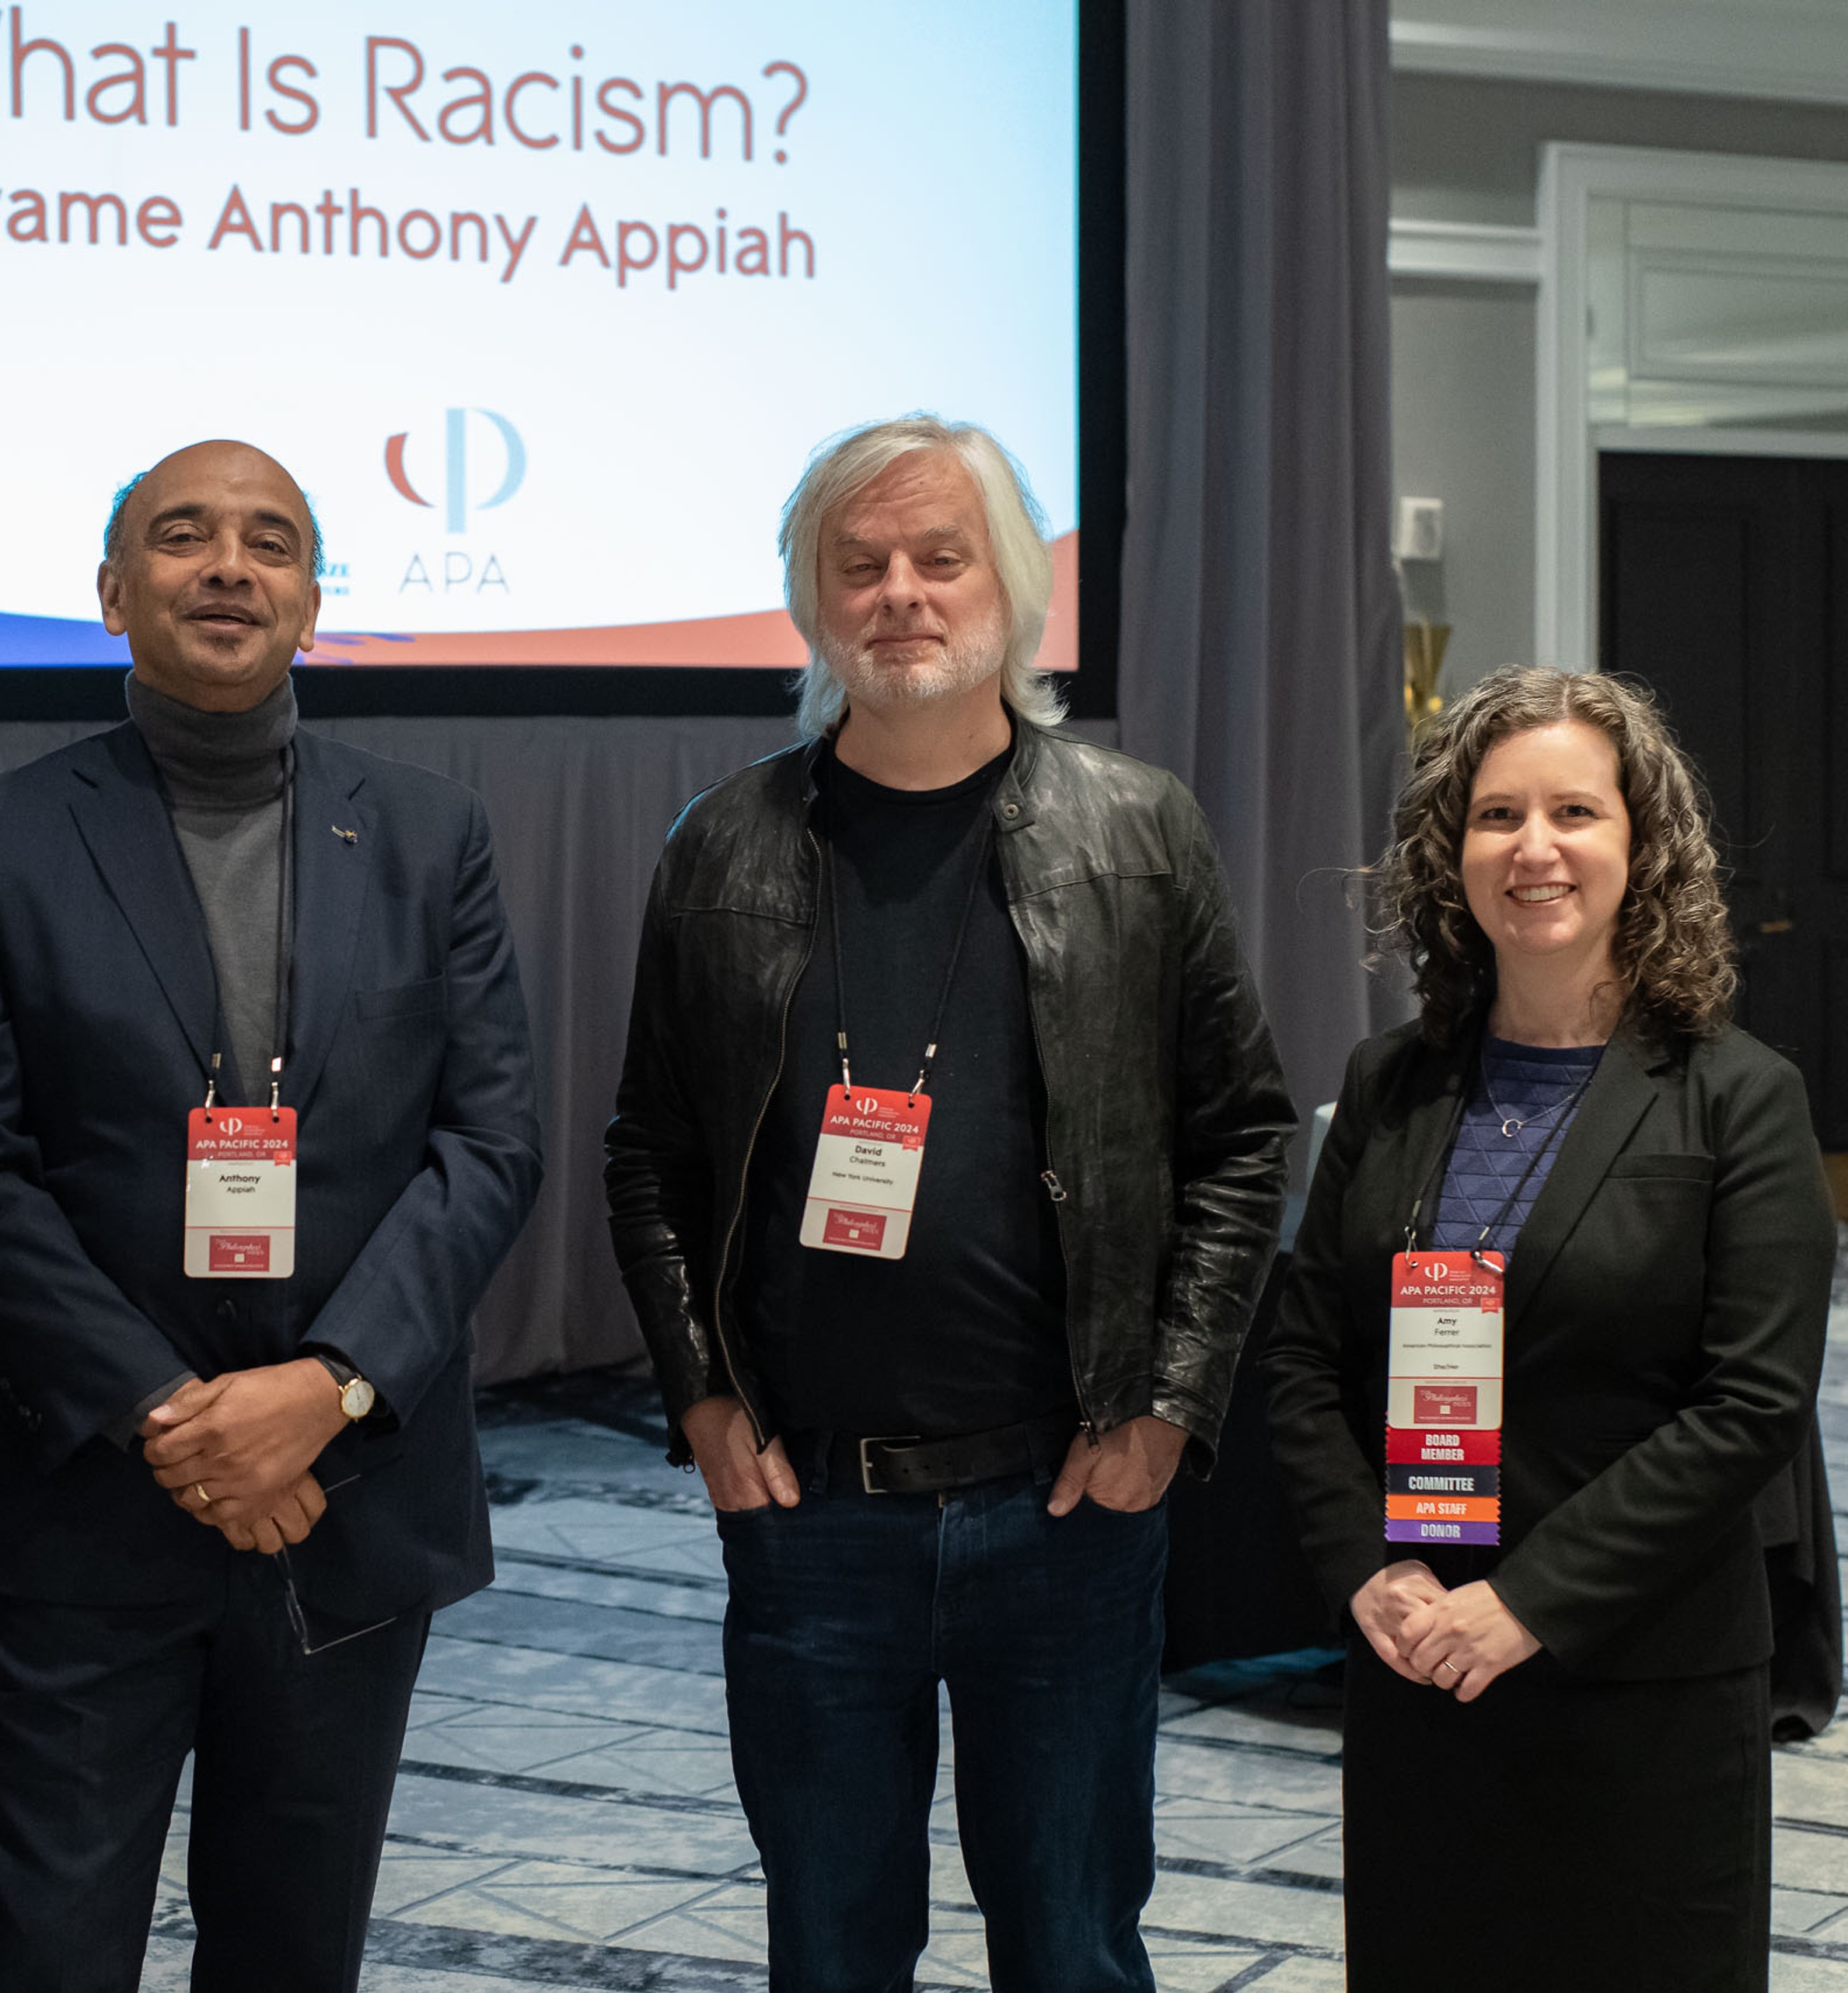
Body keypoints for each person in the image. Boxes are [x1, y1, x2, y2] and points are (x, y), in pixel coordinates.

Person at [604, 414, 1298, 1992]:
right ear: (812, 598)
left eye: (939, 555)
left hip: (1066, 1506)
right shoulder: (720, 845)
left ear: (1014, 586)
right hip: (810, 1515)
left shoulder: (1136, 829)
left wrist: (1171, 1407)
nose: (901, 591)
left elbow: (1243, 1135)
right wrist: (703, 1399)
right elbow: (651, 1152)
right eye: (862, 564)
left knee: (1070, 1943)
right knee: (833, 1949)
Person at [0, 438, 544, 1991]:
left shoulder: (429, 832)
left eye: (269, 539)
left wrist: (322, 1391)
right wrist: (176, 1416)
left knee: (291, 1951)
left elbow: (490, 1141)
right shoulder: (3, 838)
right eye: (183, 536)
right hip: (79, 1507)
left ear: (314, 598)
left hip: (348, 1500)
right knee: (48, 1950)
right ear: (114, 592)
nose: (228, 564)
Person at [1263, 665, 1835, 1990]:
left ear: (1644, 848)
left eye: (1576, 812)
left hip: (1645, 1684)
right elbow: (1300, 1356)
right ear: (1447, 853)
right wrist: (1369, 1570)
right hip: (1422, 1659)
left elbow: (1750, 1404)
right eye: (1495, 816)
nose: (1533, 850)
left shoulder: (1737, 1099)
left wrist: (1527, 1602)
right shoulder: (1391, 1083)